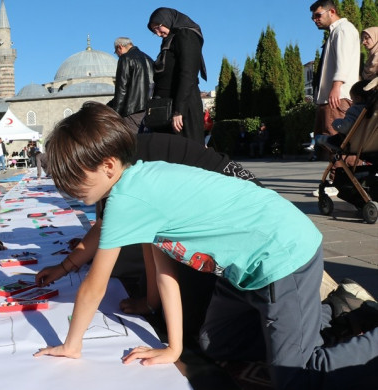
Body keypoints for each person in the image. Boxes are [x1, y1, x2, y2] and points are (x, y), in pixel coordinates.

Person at [33, 102, 378, 389]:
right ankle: (335, 312)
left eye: (72, 180)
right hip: (247, 273)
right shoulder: (138, 186)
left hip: (281, 257)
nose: (68, 191)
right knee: (215, 343)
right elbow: (165, 271)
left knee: (296, 377)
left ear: (107, 166)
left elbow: (95, 285)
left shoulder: (127, 200)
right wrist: (174, 348)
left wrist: (71, 345)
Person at [36, 131, 261, 323]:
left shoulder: (129, 174)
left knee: (193, 317)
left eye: (74, 181)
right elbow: (119, 229)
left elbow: (108, 247)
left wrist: (151, 303)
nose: (74, 193)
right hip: (217, 208)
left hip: (242, 213)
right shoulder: (113, 166)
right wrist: (65, 267)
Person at [146, 8, 207, 145]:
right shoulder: (171, 38)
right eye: (153, 31)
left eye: (158, 27)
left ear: (167, 19)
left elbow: (188, 74)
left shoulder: (186, 35)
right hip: (168, 105)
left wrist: (179, 110)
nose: (157, 33)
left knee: (187, 152)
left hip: (182, 105)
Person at [310, 0, 360, 161]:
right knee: (328, 142)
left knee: (338, 141)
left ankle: (343, 182)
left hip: (336, 97)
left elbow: (343, 61)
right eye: (313, 17)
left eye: (318, 15)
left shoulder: (343, 30)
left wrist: (336, 86)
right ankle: (339, 181)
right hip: (329, 97)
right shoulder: (336, 32)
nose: (315, 19)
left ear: (331, 11)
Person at [107, 37, 154, 132]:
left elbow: (122, 89)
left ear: (119, 47)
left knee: (132, 142)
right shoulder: (148, 58)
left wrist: (116, 113)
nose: (117, 55)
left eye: (116, 52)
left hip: (132, 110)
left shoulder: (125, 58)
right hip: (150, 109)